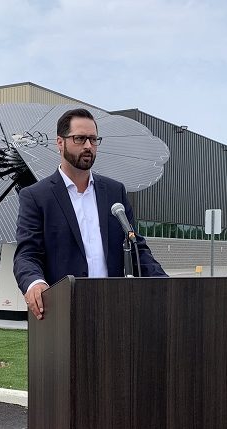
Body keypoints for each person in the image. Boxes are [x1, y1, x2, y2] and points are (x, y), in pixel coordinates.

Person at [13, 108, 166, 320]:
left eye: (93, 139)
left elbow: (136, 247)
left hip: (114, 312)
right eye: (80, 138)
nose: (88, 146)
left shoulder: (115, 192)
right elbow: (27, 254)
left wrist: (165, 283)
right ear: (60, 142)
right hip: (62, 314)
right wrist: (35, 283)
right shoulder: (37, 196)